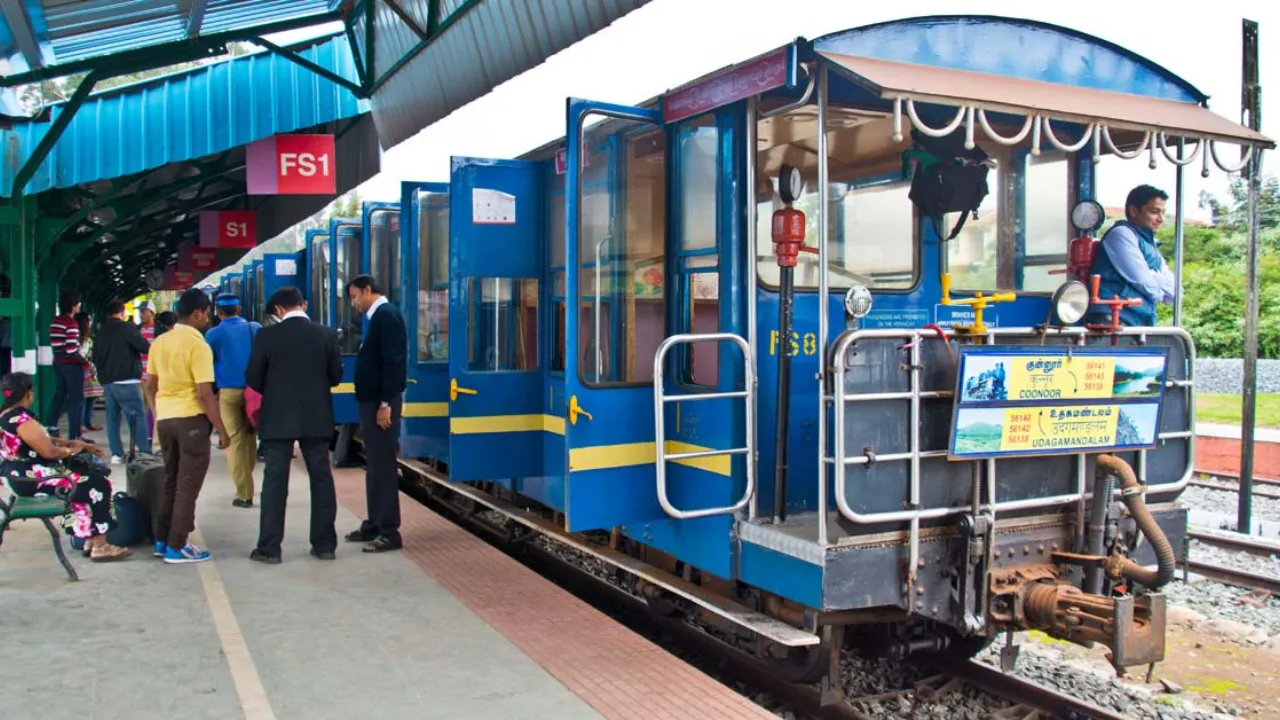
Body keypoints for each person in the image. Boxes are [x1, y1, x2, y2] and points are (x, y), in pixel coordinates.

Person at [245, 286, 342, 563]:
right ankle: (324, 546)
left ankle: (269, 549)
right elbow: (335, 377)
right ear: (304, 304)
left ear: (278, 310)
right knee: (321, 480)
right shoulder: (326, 334)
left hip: (278, 418)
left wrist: (275, 390)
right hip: (317, 417)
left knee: (275, 483)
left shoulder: (267, 335)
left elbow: (253, 376)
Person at [0, 372, 132, 561]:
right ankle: (101, 546)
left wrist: (72, 443)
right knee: (97, 484)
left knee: (82, 478)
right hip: (33, 479)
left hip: (21, 477)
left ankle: (89, 538)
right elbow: (49, 452)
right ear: (27, 393)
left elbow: (42, 439)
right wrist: (71, 451)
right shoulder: (22, 420)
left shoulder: (7, 415)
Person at [144, 288, 229, 564]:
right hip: (191, 420)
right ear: (197, 313)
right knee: (187, 484)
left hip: (166, 420)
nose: (208, 317)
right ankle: (177, 545)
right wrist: (221, 428)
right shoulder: (198, 345)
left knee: (170, 479)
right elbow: (204, 393)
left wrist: (158, 411)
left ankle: (162, 539)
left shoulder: (160, 342)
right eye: (207, 312)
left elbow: (150, 384)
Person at [344, 275, 407, 553]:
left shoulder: (386, 316)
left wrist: (384, 403)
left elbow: (394, 362)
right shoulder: (378, 317)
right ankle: (374, 523)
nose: (353, 303)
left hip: (381, 404)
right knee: (375, 464)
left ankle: (389, 531)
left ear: (367, 290)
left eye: (354, 296)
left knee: (383, 466)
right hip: (372, 402)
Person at [1086, 184, 1176, 327]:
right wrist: (1157, 282)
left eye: (1163, 213)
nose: (1161, 219)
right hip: (1112, 318)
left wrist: (1153, 277)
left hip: (1139, 319)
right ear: (1134, 211)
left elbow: (1174, 293)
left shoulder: (1151, 244)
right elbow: (1143, 282)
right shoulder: (1121, 234)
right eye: (1154, 212)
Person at [204, 294, 261, 508]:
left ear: (219, 313)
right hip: (253, 391)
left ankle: (244, 494)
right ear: (239, 309)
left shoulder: (213, 334)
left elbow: (207, 362)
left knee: (235, 439)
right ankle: (246, 473)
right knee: (250, 435)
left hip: (228, 392)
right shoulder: (254, 328)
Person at [93, 301, 153, 462]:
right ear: (122, 313)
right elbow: (144, 347)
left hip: (108, 381)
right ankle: (145, 452)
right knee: (136, 417)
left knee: (112, 418)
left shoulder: (101, 331)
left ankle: (116, 454)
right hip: (127, 380)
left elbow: (96, 357)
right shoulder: (127, 328)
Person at [48, 291, 85, 439]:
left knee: (60, 394)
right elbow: (71, 350)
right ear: (73, 306)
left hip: (58, 363)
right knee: (76, 399)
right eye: (78, 304)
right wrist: (86, 363)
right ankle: (74, 435)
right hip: (71, 366)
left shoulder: (55, 321)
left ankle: (51, 426)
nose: (79, 306)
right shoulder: (71, 323)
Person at [76, 312, 104, 433]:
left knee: (91, 396)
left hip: (91, 369)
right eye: (88, 321)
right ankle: (81, 423)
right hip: (81, 369)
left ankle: (87, 421)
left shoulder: (89, 338)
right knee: (83, 397)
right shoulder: (77, 338)